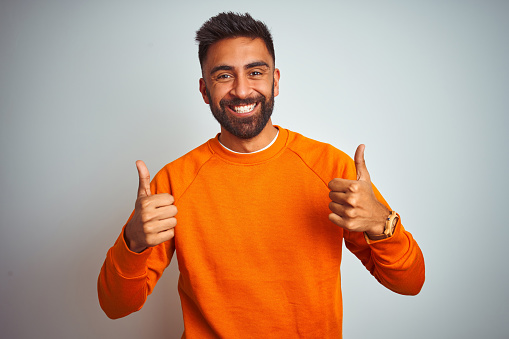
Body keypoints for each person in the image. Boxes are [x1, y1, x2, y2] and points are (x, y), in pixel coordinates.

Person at [98, 12, 425, 338]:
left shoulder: (330, 168)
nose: (242, 90)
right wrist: (133, 241)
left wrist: (382, 224)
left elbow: (410, 283)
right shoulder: (174, 182)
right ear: (203, 89)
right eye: (224, 76)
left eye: (255, 72)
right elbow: (116, 307)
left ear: (275, 81)